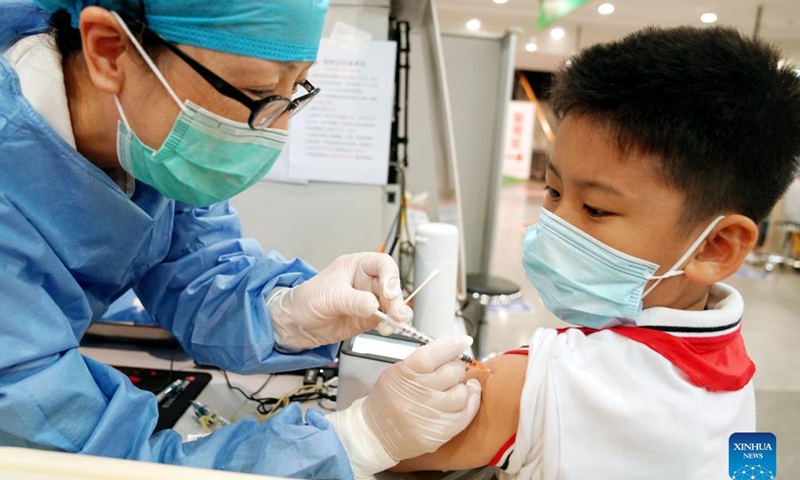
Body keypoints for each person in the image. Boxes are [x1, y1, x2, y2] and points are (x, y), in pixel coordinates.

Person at [0, 1, 482, 478]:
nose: (280, 128)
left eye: (295, 89)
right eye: (257, 91)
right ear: (109, 51)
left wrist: (287, 312)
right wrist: (361, 440)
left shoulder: (145, 137)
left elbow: (195, 266)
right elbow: (78, 454)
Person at [392, 26, 800, 479]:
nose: (554, 224)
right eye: (552, 190)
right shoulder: (733, 366)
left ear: (715, 246)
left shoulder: (546, 381)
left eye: (595, 208)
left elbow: (390, 445)